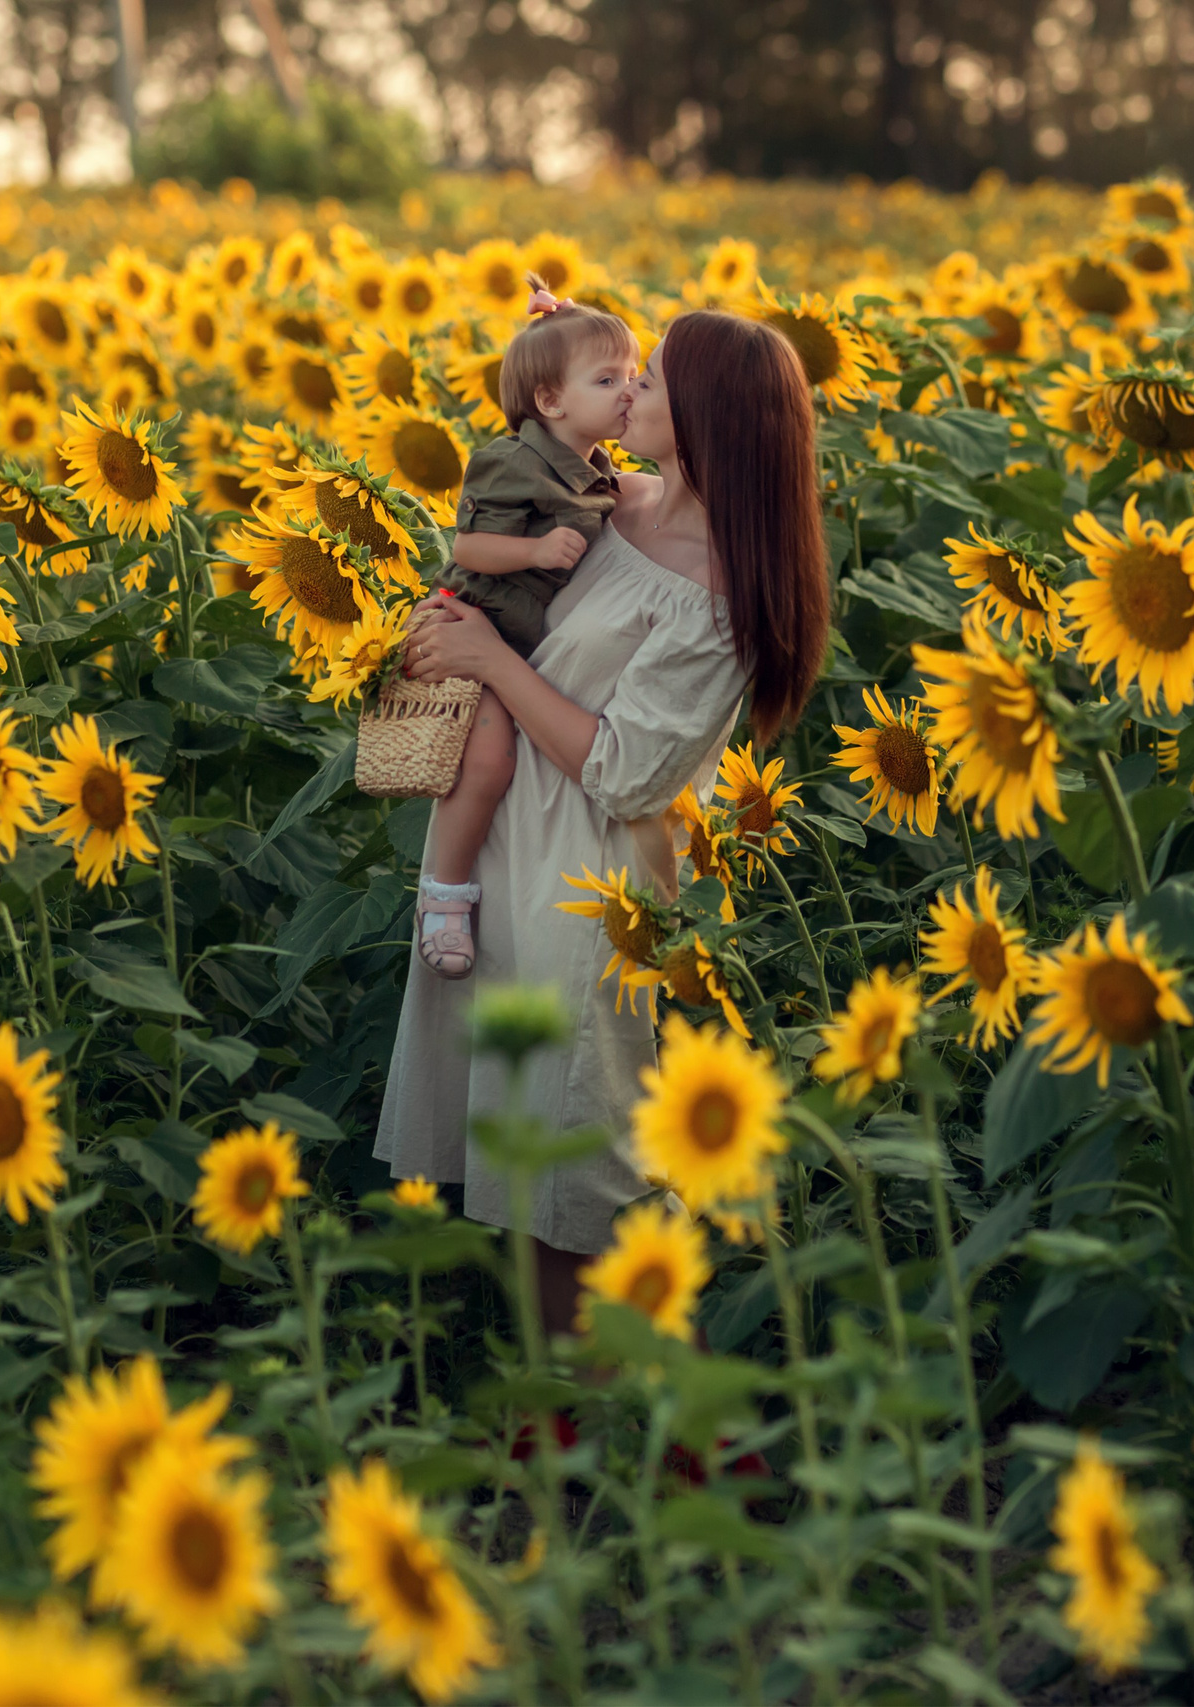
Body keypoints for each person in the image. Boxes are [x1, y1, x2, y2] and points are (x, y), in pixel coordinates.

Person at [379, 310, 831, 1335]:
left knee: (586, 1172)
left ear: (706, 422)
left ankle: (635, 1403)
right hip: (502, 848)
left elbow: (626, 773)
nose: (631, 396)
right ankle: (561, 1405)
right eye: (630, 380)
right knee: (519, 1158)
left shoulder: (722, 593)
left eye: (654, 385)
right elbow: (507, 519)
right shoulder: (608, 503)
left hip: (588, 890)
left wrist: (490, 667)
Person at [416, 280, 640, 980]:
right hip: (474, 627)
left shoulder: (601, 469)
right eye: (608, 380)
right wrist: (537, 552)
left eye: (634, 377)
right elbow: (470, 549)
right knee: (487, 762)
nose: (629, 391)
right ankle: (444, 897)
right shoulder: (512, 461)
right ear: (551, 402)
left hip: (520, 640)